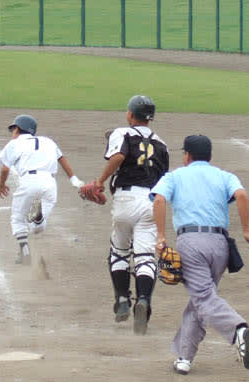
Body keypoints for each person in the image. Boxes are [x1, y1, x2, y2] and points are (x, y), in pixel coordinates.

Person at [150, 135, 249, 374]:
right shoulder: (224, 176)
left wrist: (161, 236)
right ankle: (184, 357)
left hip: (190, 243)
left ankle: (239, 330)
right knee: (200, 298)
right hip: (220, 245)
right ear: (209, 156)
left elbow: (159, 200)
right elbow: (242, 196)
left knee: (202, 296)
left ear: (187, 156)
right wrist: (247, 231)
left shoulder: (175, 176)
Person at [89, 95, 169, 335]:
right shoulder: (162, 144)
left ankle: (122, 299)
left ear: (130, 114)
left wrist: (100, 181)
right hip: (152, 202)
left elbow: (118, 157)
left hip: (126, 199)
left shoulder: (122, 133)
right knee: (145, 257)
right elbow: (164, 179)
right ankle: (143, 300)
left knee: (119, 251)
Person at [0, 115, 84, 265]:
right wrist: (74, 180)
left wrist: (1, 185)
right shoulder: (48, 141)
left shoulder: (15, 143)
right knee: (37, 228)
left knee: (18, 218)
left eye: (13, 129)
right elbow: (62, 159)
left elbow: (5, 169)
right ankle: (38, 217)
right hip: (50, 183)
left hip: (29, 182)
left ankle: (25, 253)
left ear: (18, 129)